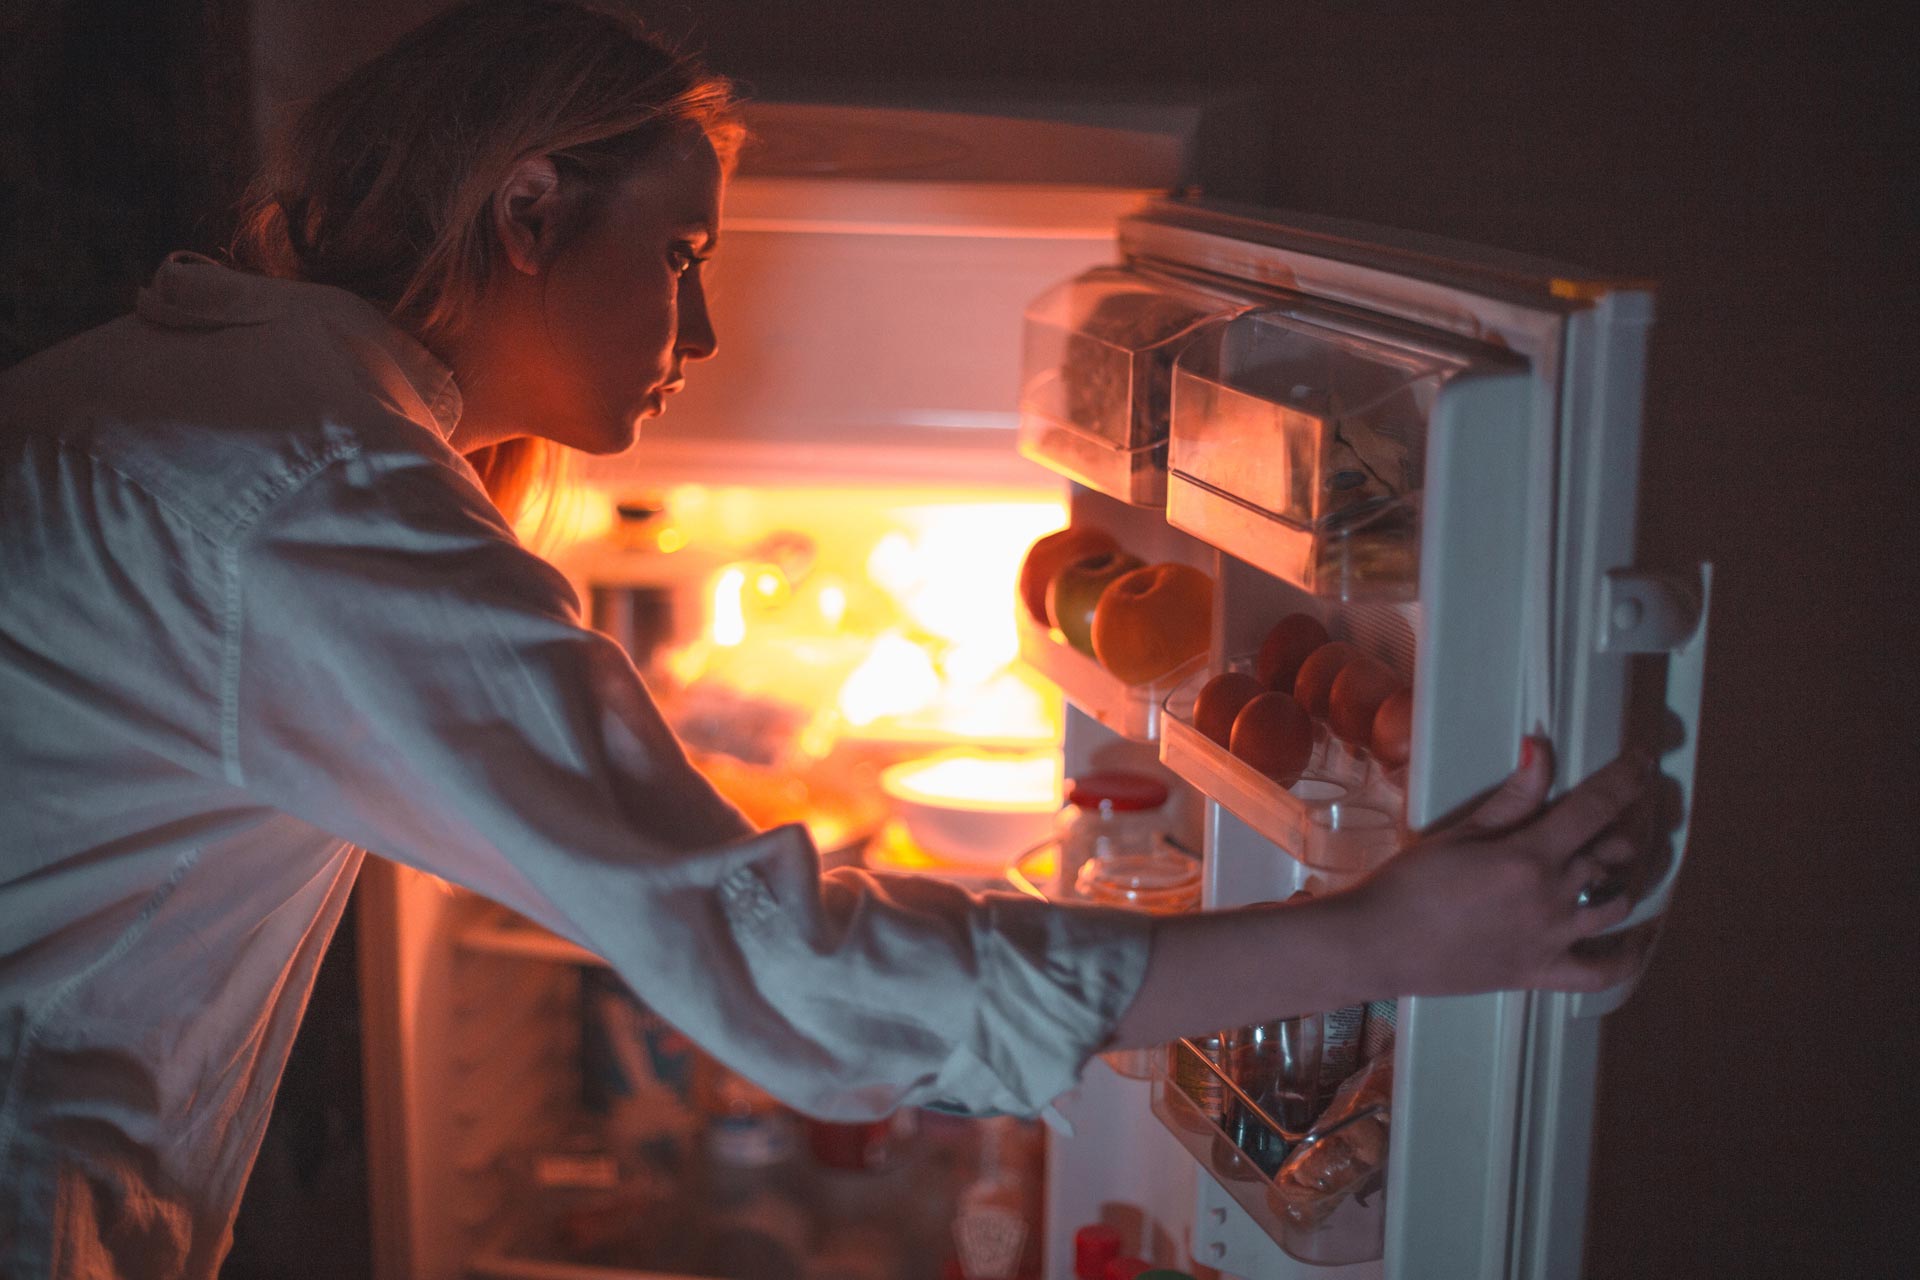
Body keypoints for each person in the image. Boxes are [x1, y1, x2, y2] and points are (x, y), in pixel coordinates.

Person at [0, 2, 1656, 1276]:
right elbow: (776, 971)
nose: (703, 326)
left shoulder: (202, 390)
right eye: (680, 256)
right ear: (527, 208)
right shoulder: (314, 499)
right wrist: (1375, 939)